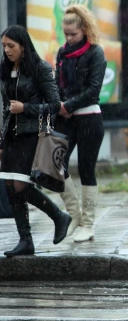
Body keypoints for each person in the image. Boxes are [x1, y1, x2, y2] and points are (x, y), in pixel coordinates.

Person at [0, 25, 72, 257]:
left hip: (32, 135)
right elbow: (6, 108)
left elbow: (54, 105)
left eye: (11, 46)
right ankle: (25, 241)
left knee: (22, 186)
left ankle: (59, 216)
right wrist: (1, 140)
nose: (7, 50)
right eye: (4, 46)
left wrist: (26, 108)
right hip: (11, 136)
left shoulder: (40, 68)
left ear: (23, 46)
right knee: (11, 187)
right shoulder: (6, 69)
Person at [55, 5, 107, 243]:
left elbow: (93, 90)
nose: (68, 38)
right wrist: (59, 104)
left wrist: (69, 105)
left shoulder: (96, 53)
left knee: (87, 169)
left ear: (84, 29)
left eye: (73, 34)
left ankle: (88, 223)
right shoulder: (61, 53)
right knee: (57, 165)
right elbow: (57, 84)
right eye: (65, 33)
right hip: (66, 117)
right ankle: (75, 215)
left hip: (89, 117)